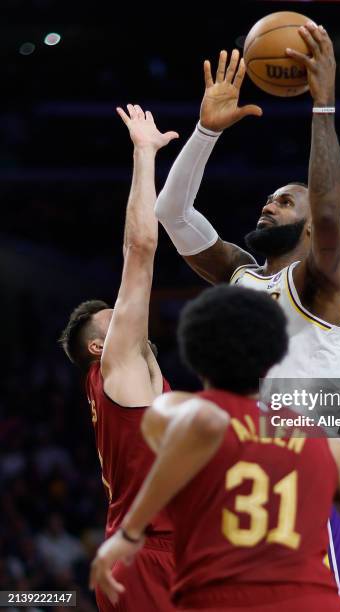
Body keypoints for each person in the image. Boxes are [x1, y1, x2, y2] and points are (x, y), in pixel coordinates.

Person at [153, 21, 340, 610]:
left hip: (316, 478)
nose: (267, 203)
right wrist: (204, 131)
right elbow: (171, 213)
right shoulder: (241, 274)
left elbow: (329, 216)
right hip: (249, 483)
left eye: (285, 199)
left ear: (307, 221)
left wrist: (322, 106)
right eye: (270, 196)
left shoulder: (322, 279)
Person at [90, 285, 340, 612]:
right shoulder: (326, 444)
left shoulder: (181, 413)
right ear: (272, 360)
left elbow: (205, 425)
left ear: (195, 359)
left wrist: (130, 532)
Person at [59, 105, 179, 611]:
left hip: (167, 548)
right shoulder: (117, 366)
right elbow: (141, 246)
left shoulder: (137, 377)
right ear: (96, 349)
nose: (126, 316)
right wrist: (144, 154)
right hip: (147, 555)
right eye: (114, 319)